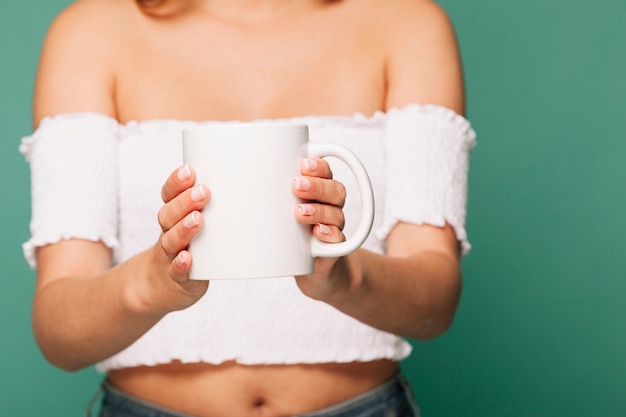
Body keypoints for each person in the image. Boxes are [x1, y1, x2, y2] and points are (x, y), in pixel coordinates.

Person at [20, 0, 476, 415]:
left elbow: (435, 302)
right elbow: (60, 333)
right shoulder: (91, 33)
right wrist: (150, 283)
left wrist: (345, 277)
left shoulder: (406, 23)